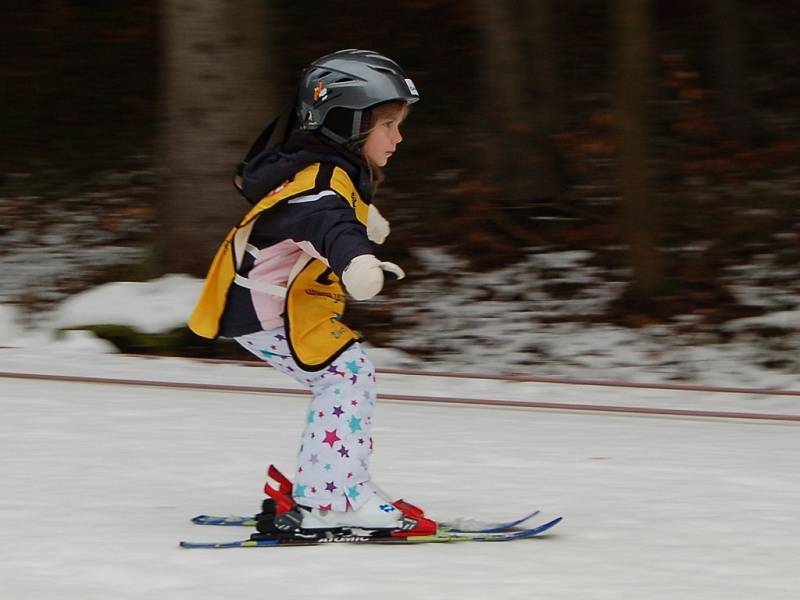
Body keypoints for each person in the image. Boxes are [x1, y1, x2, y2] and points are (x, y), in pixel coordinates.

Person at [187, 50, 425, 533]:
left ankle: (333, 483)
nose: (398, 138)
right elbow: (324, 220)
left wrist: (363, 218)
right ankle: (328, 499)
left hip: (273, 303)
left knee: (344, 376)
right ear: (348, 123)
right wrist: (357, 260)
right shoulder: (323, 186)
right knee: (345, 376)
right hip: (265, 307)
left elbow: (320, 206)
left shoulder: (322, 166)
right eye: (387, 125)